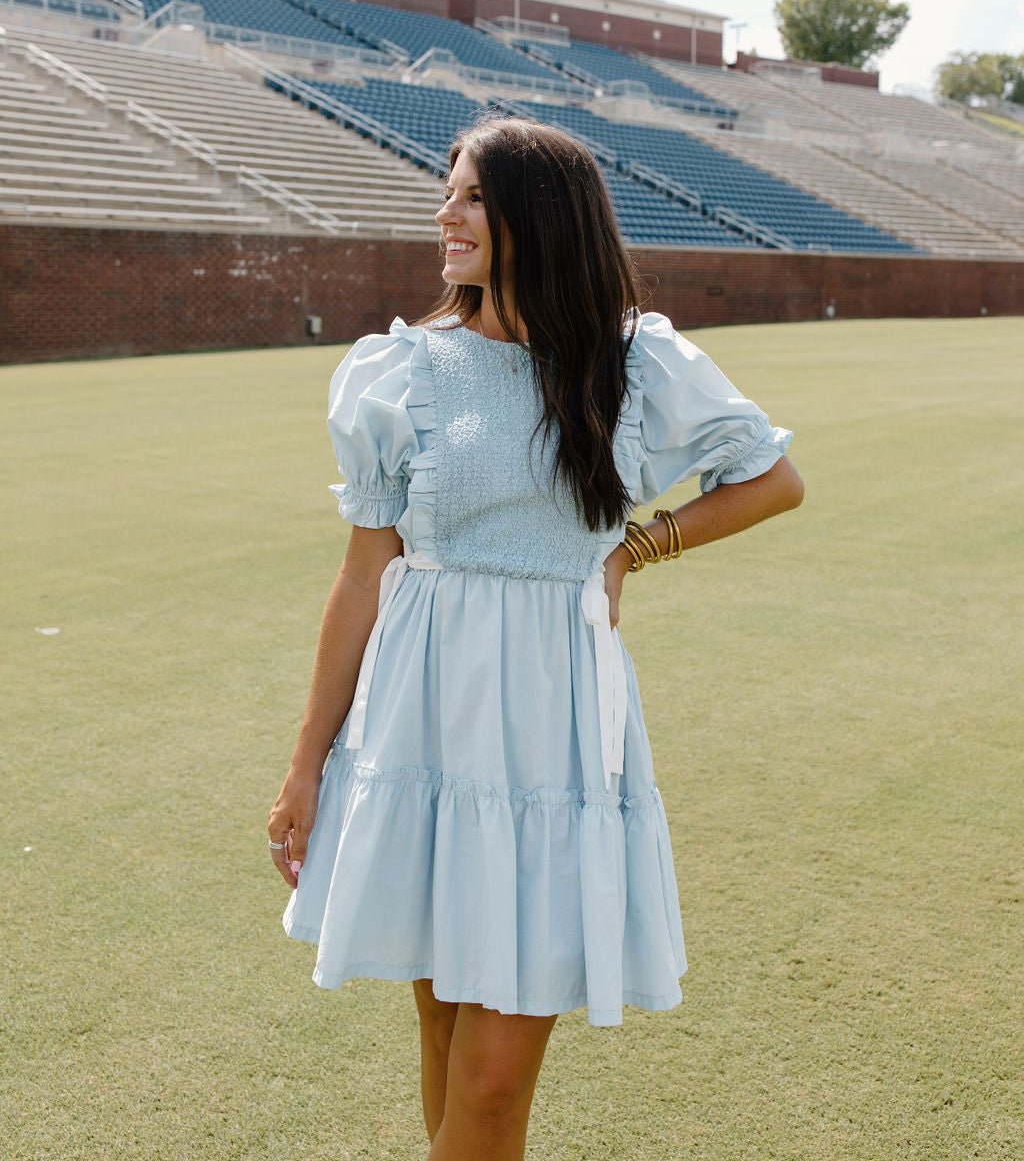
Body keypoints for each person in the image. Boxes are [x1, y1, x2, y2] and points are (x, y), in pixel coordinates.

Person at [269, 117, 804, 1161]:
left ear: (537, 215)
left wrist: (634, 550)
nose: (446, 214)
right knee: (439, 1025)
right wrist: (304, 765)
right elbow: (361, 574)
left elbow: (771, 478)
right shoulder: (401, 371)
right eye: (449, 192)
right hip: (418, 727)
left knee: (494, 1077)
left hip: (554, 739)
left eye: (470, 195)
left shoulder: (632, 360)